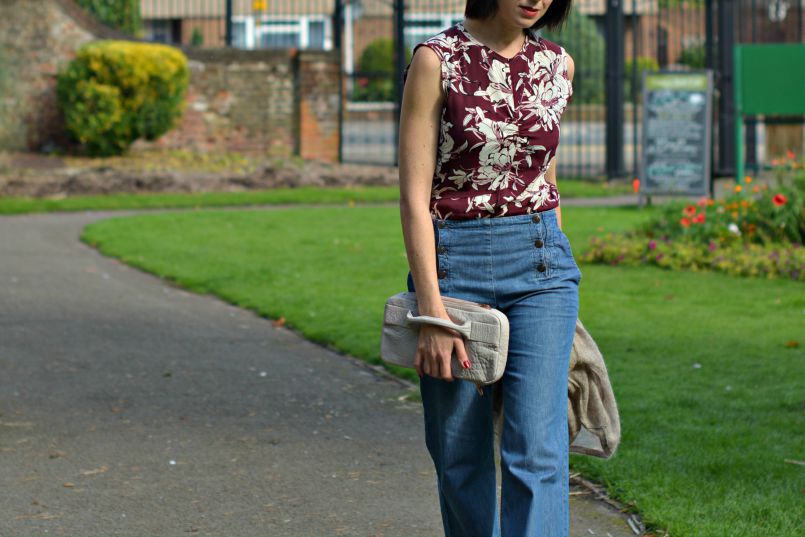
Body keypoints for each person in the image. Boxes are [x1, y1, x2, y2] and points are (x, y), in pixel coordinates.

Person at [398, 1, 578, 535]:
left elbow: (545, 179)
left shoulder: (558, 64)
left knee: (537, 450)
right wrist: (432, 313)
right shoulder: (437, 60)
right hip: (456, 268)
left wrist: (559, 258)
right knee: (459, 454)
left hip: (543, 266)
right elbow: (413, 199)